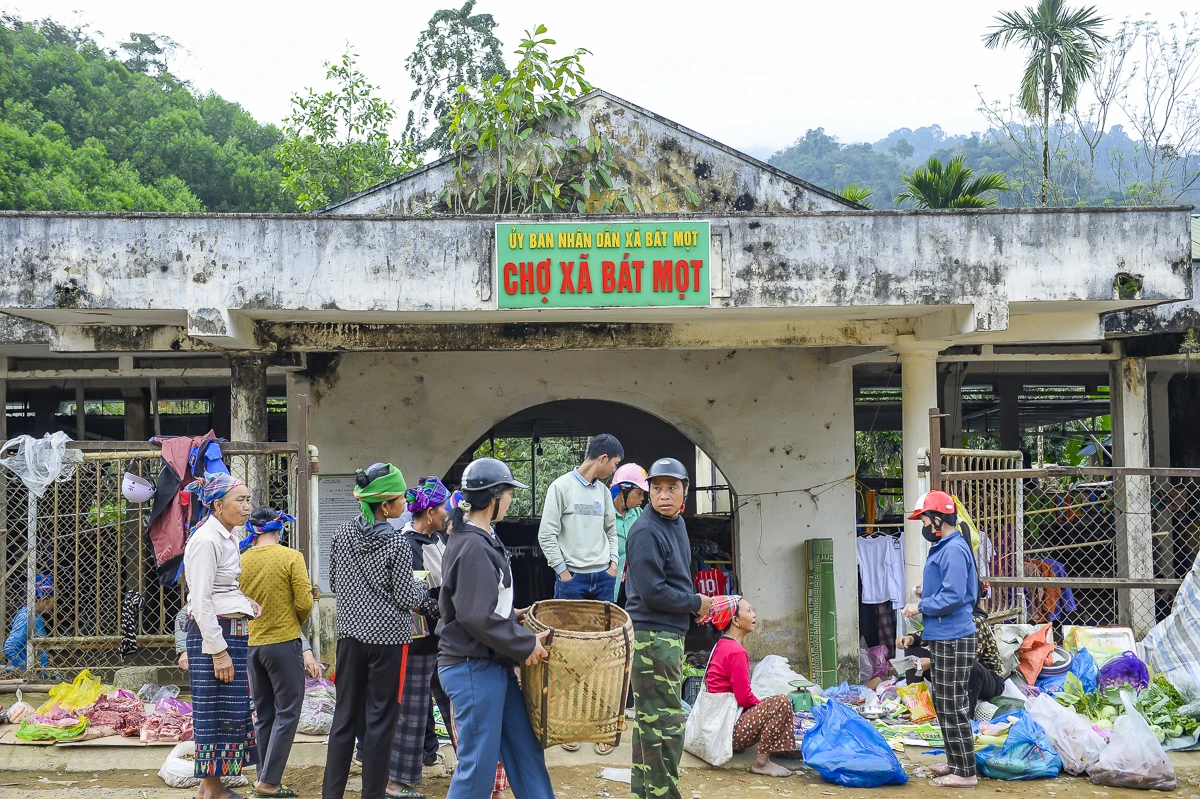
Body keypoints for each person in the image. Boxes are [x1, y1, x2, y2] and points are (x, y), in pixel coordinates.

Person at [438, 457, 553, 799]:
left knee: (524, 751)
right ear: (493, 499)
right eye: (508, 494)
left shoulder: (480, 536)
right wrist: (525, 643)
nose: (510, 500)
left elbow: (483, 605)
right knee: (479, 769)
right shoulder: (473, 544)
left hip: (492, 664)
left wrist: (513, 615)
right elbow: (475, 616)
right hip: (472, 667)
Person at [322, 463, 434, 799]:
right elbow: (405, 597)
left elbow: (334, 582)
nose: (404, 503)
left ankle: (332, 795)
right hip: (388, 643)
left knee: (344, 720)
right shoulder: (397, 545)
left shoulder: (341, 535)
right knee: (381, 722)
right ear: (384, 506)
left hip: (350, 639)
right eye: (399, 498)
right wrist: (427, 597)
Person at [625, 458, 712, 799]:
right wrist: (695, 603)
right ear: (647, 491)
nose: (663, 495)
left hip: (667, 634)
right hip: (651, 637)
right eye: (656, 488)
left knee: (652, 721)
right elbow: (652, 591)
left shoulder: (675, 523)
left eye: (671, 487)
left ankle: (645, 794)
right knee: (665, 724)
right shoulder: (647, 530)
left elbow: (675, 578)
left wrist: (694, 607)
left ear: (684, 491)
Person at [182, 473, 260, 799]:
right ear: (218, 504)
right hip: (213, 637)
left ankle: (208, 788)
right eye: (239, 500)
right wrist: (218, 651)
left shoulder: (226, 537)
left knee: (232, 709)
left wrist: (243, 603)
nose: (247, 506)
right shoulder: (205, 541)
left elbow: (221, 588)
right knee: (214, 711)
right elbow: (200, 602)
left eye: (247, 499)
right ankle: (213, 790)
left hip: (230, 632)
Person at [240, 507, 321, 799]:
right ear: (279, 530)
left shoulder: (242, 559)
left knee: (264, 714)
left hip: (252, 645)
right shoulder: (291, 557)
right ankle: (269, 782)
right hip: (284, 643)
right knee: (288, 712)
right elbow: (304, 601)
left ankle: (263, 776)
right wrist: (292, 620)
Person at [902, 490, 979, 789]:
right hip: (945, 635)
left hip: (953, 637)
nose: (922, 526)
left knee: (952, 704)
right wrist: (927, 591)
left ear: (936, 519)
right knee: (945, 703)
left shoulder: (953, 549)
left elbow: (954, 595)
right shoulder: (947, 545)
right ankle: (955, 761)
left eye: (923, 519)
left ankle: (965, 772)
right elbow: (951, 588)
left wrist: (919, 606)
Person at [387, 477, 450, 799]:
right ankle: (395, 782)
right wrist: (449, 611)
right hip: (418, 642)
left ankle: (470, 769)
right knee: (411, 710)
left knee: (452, 704)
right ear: (429, 513)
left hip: (443, 639)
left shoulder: (436, 540)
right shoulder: (406, 546)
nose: (447, 514)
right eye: (442, 508)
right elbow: (415, 601)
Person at [700, 595, 795, 777]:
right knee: (782, 703)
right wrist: (766, 710)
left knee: (770, 704)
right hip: (726, 732)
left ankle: (777, 749)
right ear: (735, 620)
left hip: (716, 727)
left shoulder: (722, 645)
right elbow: (744, 697)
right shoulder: (735, 651)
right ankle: (761, 763)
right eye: (749, 611)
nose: (754, 615)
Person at [538, 433, 623, 602]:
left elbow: (611, 532)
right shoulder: (560, 487)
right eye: (615, 464)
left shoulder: (604, 492)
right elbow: (546, 535)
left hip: (604, 578)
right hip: (572, 578)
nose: (614, 470)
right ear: (603, 458)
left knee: (604, 629)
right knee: (568, 629)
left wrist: (613, 564)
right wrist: (563, 572)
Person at [610, 463, 648, 604]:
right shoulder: (604, 515)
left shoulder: (640, 515)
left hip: (632, 587)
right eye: (638, 493)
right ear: (623, 491)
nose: (642, 498)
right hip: (608, 584)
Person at [4, 574, 54, 671]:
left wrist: (43, 653)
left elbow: (29, 642)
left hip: (36, 673)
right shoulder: (27, 617)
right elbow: (9, 648)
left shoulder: (36, 616)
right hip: (29, 676)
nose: (54, 604)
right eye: (53, 601)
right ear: (44, 600)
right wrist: (25, 670)